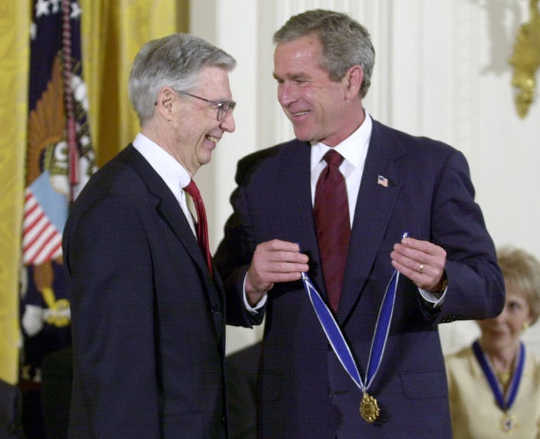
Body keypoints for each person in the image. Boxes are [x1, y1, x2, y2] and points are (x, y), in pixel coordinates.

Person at [214, 9, 505, 438]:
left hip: (400, 418)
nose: (285, 97)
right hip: (296, 417)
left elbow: (489, 289)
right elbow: (218, 290)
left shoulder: (430, 167)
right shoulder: (261, 175)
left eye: (300, 80)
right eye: (279, 81)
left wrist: (441, 280)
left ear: (351, 80)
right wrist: (252, 282)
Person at [63, 33, 260, 438]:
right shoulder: (116, 208)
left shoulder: (162, 196)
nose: (229, 123)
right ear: (168, 103)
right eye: (220, 107)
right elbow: (117, 380)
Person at [445, 246, 540, 438]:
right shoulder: (449, 371)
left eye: (513, 306)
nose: (498, 318)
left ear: (530, 314)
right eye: (493, 302)